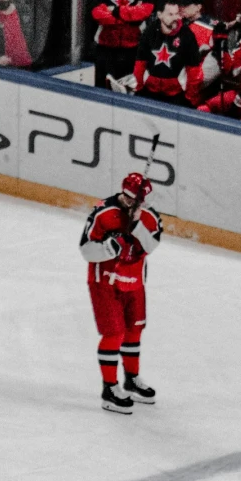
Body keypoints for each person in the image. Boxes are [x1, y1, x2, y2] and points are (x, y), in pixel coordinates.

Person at [78, 172, 162, 414]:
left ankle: (131, 380)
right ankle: (109, 389)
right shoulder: (103, 213)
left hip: (134, 281)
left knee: (134, 330)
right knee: (114, 333)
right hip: (105, 282)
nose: (143, 206)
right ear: (126, 197)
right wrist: (108, 248)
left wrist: (136, 226)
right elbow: (86, 250)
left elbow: (150, 246)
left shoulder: (149, 216)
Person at [89, 0, 154, 89]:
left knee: (131, 89)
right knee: (102, 90)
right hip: (105, 48)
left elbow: (145, 12)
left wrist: (115, 11)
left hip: (134, 48)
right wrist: (130, 14)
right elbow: (97, 15)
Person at [132, 1, 204, 103]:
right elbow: (140, 63)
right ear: (159, 15)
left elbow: (194, 71)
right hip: (149, 91)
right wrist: (137, 89)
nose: (175, 18)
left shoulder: (187, 35)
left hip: (176, 95)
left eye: (177, 14)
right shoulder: (150, 31)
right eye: (170, 14)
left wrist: (190, 99)